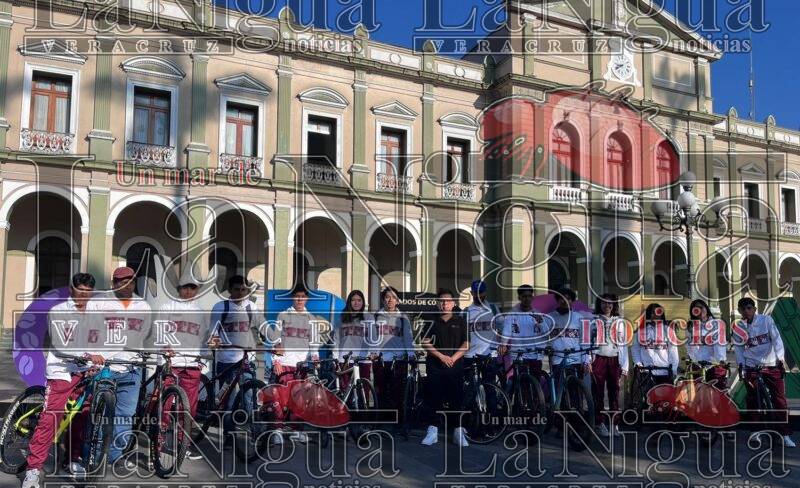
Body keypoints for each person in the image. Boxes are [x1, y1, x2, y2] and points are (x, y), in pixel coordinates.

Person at [21, 273, 102, 488]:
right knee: (50, 420)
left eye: (88, 291)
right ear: (71, 289)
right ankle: (33, 469)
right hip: (61, 372)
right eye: (80, 290)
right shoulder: (58, 311)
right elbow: (60, 343)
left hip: (85, 372)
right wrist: (88, 356)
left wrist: (98, 360)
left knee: (81, 418)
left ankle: (72, 460)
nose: (83, 295)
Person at [86, 266, 152, 468]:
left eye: (129, 280)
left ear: (134, 282)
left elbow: (147, 336)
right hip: (104, 366)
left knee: (125, 415)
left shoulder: (143, 306)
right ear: (113, 283)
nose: (125, 284)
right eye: (120, 281)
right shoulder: (99, 302)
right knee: (97, 415)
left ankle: (114, 456)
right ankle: (91, 457)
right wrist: (90, 360)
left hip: (132, 368)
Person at [154, 269, 212, 461]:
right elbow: (159, 333)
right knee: (166, 405)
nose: (189, 291)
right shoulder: (167, 307)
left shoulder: (201, 312)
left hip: (192, 365)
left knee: (189, 410)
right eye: (185, 288)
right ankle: (159, 442)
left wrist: (203, 360)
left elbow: (205, 339)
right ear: (179, 288)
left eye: (193, 288)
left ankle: (182, 445)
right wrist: (164, 352)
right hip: (172, 363)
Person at [733, 297, 796, 448]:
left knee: (779, 400)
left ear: (754, 309)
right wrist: (742, 367)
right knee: (753, 400)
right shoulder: (738, 328)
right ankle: (756, 432)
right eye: (743, 309)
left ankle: (785, 434)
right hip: (751, 367)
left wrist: (780, 359)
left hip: (771, 365)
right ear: (740, 311)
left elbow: (777, 339)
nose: (746, 311)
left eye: (749, 308)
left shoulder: (766, 320)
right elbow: (739, 349)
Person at [209, 275, 262, 445]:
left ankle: (256, 433)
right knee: (229, 402)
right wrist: (215, 340)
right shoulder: (221, 307)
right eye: (237, 289)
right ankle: (229, 436)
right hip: (226, 360)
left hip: (246, 360)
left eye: (244, 290)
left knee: (249, 398)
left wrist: (275, 343)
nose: (241, 293)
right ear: (230, 290)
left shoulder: (252, 307)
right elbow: (213, 331)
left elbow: (263, 328)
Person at [420, 289, 469, 447]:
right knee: (434, 398)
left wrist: (453, 358)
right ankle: (433, 431)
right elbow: (425, 342)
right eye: (441, 301)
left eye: (447, 301)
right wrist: (441, 357)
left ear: (453, 303)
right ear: (437, 303)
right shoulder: (430, 320)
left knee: (456, 399)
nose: (444, 304)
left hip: (456, 366)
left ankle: (457, 431)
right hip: (435, 366)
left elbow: (466, 344)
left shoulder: (461, 321)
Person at [373, 287, 414, 416]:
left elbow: (408, 338)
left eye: (393, 297)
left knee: (397, 392)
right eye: (387, 297)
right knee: (380, 391)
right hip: (380, 360)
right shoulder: (376, 316)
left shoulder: (403, 318)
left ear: (397, 301)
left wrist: (411, 354)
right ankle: (381, 419)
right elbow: (372, 338)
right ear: (383, 300)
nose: (390, 300)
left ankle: (397, 420)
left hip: (398, 360)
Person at [591, 293, 628, 437]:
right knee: (598, 392)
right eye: (604, 303)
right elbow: (588, 342)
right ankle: (599, 424)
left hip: (614, 360)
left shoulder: (619, 321)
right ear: (600, 305)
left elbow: (623, 344)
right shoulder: (593, 321)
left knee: (615, 393)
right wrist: (588, 360)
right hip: (598, 359)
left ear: (614, 306)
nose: (607, 306)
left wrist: (624, 366)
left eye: (610, 303)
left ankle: (615, 424)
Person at [497, 284, 549, 382]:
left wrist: (541, 322)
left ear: (532, 297)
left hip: (535, 355)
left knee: (535, 385)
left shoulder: (537, 314)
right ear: (519, 297)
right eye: (524, 296)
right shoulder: (512, 315)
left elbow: (546, 333)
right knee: (521, 384)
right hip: (519, 355)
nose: (527, 299)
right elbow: (506, 331)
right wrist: (503, 344)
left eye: (529, 296)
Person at [547, 288, 593, 394]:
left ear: (572, 301)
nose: (565, 301)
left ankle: (578, 410)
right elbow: (543, 335)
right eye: (562, 298)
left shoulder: (580, 317)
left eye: (568, 299)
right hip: (557, 360)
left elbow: (585, 341)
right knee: (560, 392)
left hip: (576, 360)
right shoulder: (549, 317)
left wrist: (586, 360)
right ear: (558, 300)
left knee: (576, 391)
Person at [336, 290, 375, 390]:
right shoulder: (342, 317)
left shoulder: (369, 317)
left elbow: (373, 338)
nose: (356, 303)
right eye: (353, 300)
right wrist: (335, 357)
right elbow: (336, 339)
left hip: (363, 359)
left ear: (363, 302)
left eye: (359, 300)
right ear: (349, 302)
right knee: (345, 390)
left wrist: (373, 352)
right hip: (345, 359)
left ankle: (362, 406)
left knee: (363, 390)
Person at [631, 303, 679, 385]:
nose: (655, 315)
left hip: (665, 371)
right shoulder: (640, 331)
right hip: (646, 371)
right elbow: (635, 349)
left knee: (664, 397)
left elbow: (673, 351)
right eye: (652, 312)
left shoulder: (668, 331)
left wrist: (673, 370)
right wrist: (638, 364)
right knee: (648, 397)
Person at [687, 299, 728, 389]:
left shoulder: (716, 324)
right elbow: (690, 346)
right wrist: (692, 360)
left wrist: (720, 360)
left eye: (701, 307)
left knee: (718, 393)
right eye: (696, 309)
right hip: (698, 366)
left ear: (706, 308)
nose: (699, 311)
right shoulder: (691, 326)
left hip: (714, 364)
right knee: (699, 394)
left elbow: (719, 344)